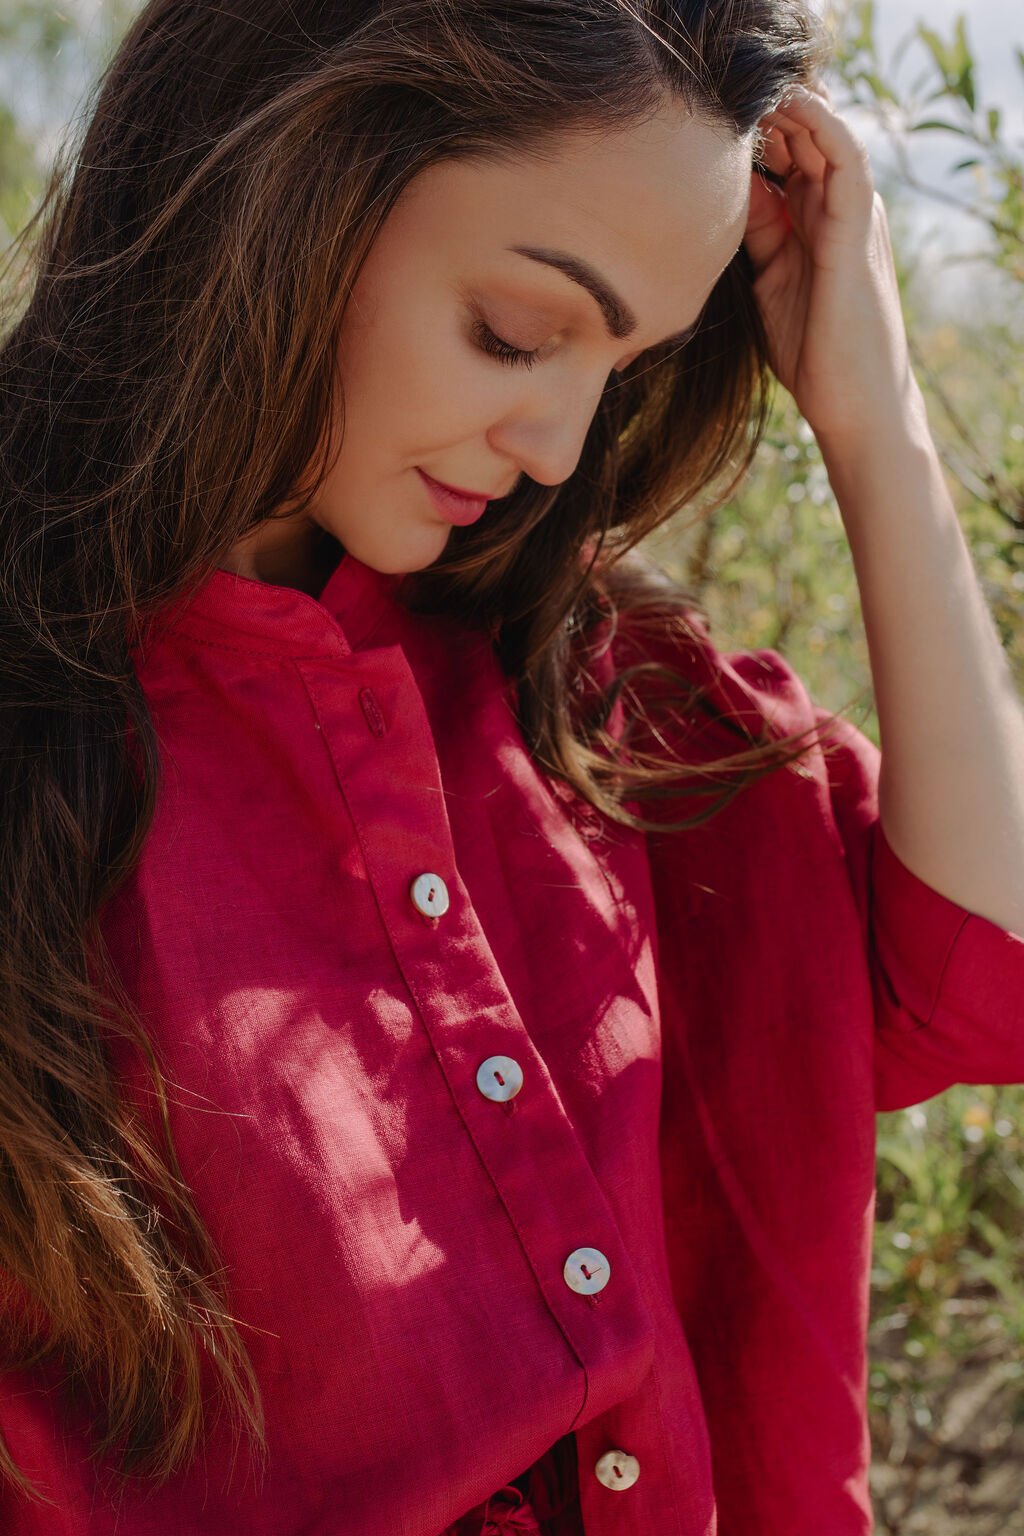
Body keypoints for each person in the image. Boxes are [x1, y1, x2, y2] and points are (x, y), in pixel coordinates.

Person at [0, 0, 1021, 1532]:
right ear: (288, 193)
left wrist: (872, 419)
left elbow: (982, 969)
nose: (556, 445)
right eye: (518, 332)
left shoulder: (598, 696)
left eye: (621, 365)